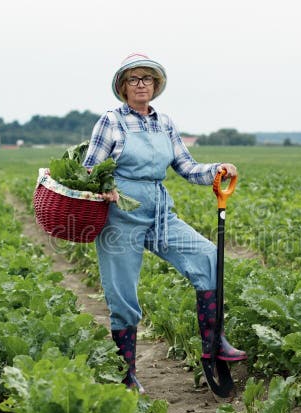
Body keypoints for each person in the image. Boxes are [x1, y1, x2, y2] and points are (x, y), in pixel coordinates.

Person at [82, 53, 247, 394]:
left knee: (208, 257)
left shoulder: (165, 123)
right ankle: (126, 375)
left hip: (159, 214)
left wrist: (215, 169)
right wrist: (105, 188)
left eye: (147, 79)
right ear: (123, 87)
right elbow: (89, 171)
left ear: (156, 86)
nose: (141, 85)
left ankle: (213, 343)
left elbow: (186, 167)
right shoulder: (111, 121)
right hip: (120, 218)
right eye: (133, 79)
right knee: (123, 298)